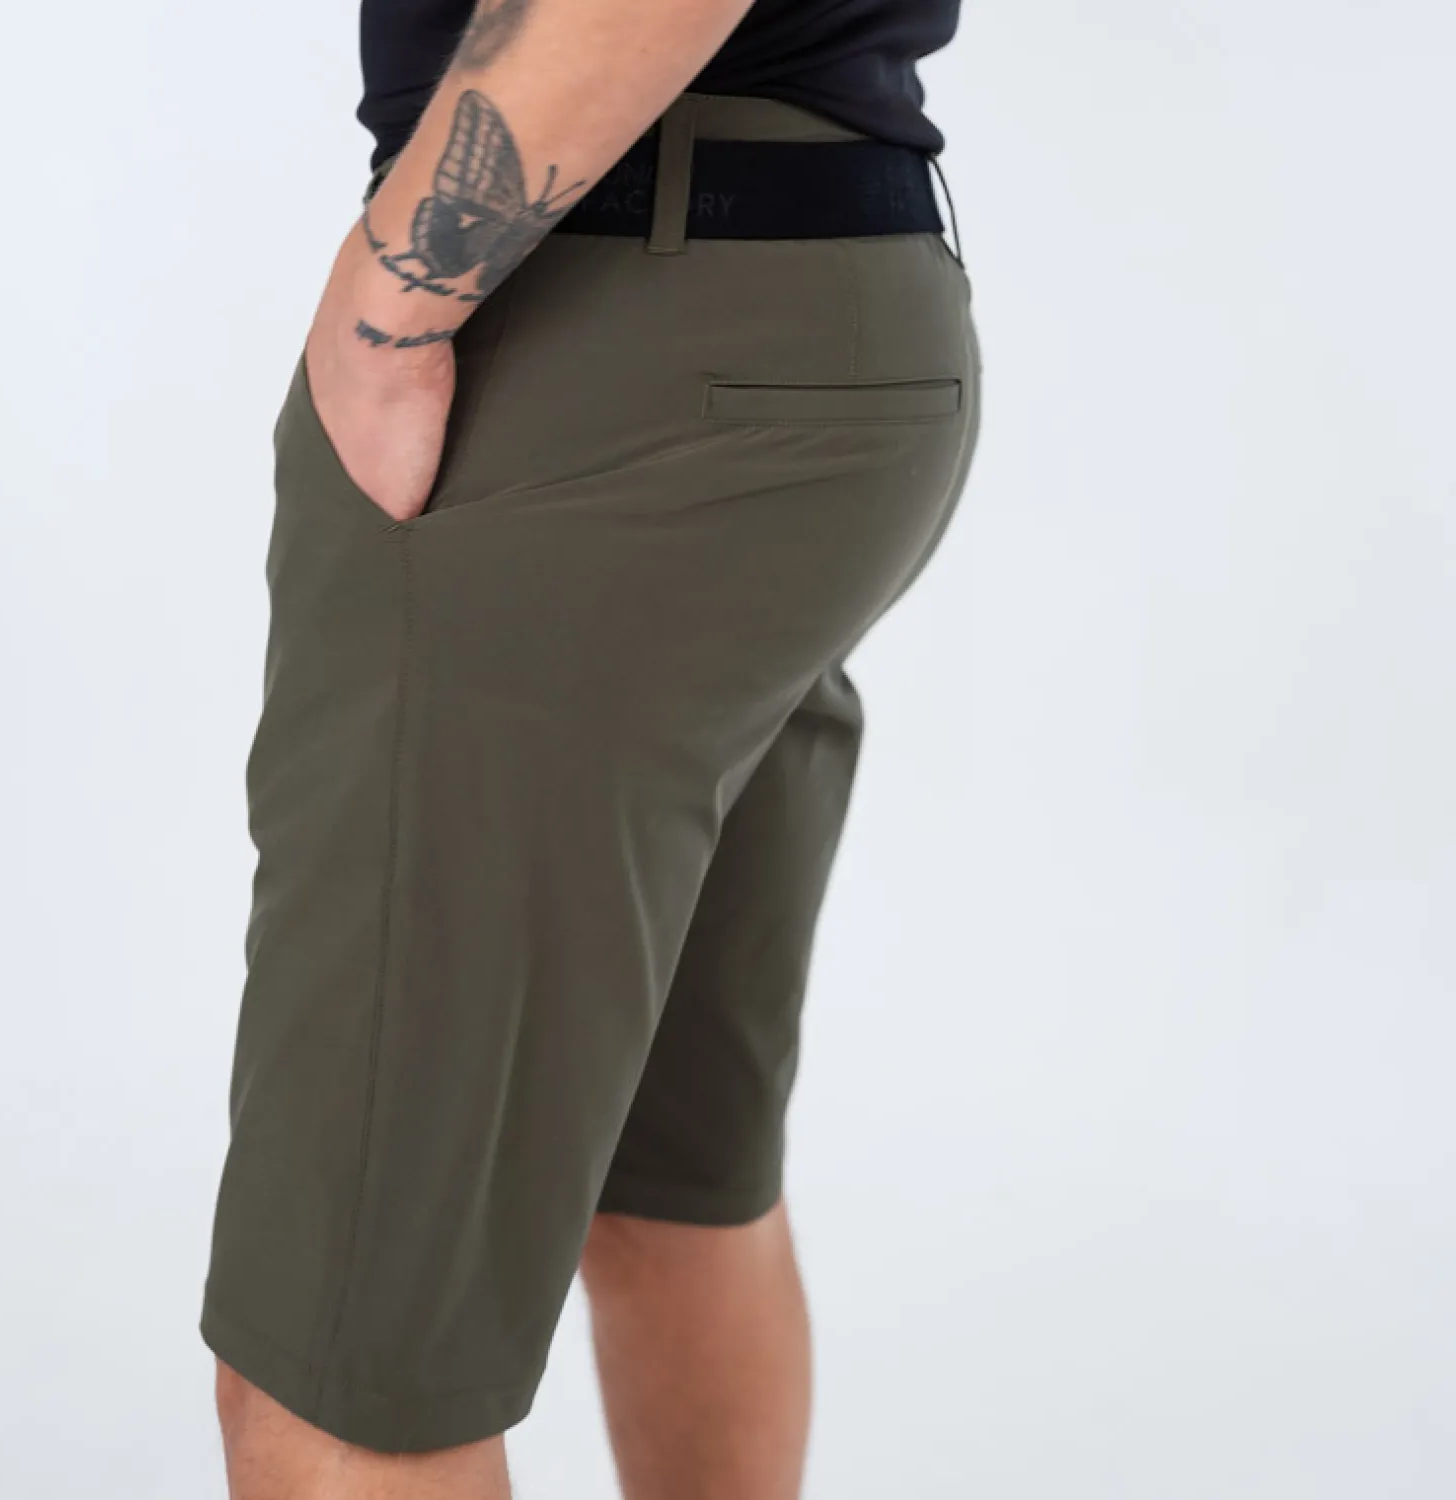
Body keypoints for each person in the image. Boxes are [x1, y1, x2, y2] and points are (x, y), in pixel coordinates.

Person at [201, 0, 979, 1494]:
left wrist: (391, 306)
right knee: (667, 1183)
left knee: (337, 1374)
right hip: (836, 293)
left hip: (593, 332)